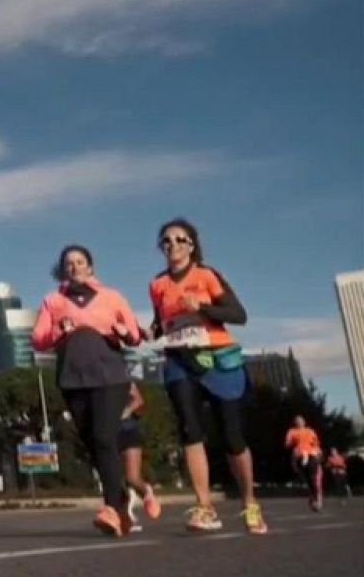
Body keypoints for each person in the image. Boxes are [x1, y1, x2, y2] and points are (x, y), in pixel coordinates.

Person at [149, 218, 266, 534]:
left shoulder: (207, 275)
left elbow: (238, 315)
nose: (173, 245)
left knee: (232, 437)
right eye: (166, 241)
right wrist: (152, 330)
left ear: (191, 245)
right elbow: (161, 323)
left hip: (217, 358)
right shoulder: (157, 285)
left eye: (180, 239)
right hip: (179, 359)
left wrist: (202, 306)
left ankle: (249, 501)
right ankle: (205, 506)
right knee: (190, 430)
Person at [31, 245, 145, 536]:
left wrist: (124, 332)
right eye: (69, 263)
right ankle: (121, 504)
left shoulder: (112, 296)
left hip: (110, 377)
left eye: (80, 262)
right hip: (73, 379)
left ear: (90, 267)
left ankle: (111, 508)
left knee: (104, 437)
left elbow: (135, 334)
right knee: (93, 444)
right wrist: (60, 330)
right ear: (63, 270)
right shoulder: (53, 301)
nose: (75, 267)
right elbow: (38, 340)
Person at [119, 380, 162, 531]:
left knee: (132, 477)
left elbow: (138, 400)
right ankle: (126, 517)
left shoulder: (123, 378)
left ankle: (146, 491)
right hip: (108, 432)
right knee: (115, 479)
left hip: (128, 430)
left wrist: (125, 412)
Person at [285, 416, 324, 511]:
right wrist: (293, 446)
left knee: (313, 477)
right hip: (300, 455)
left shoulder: (310, 431)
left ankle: (316, 498)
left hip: (310, 454)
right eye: (297, 421)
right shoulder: (292, 431)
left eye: (301, 421)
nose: (299, 422)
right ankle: (313, 495)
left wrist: (317, 450)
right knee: (306, 477)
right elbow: (287, 444)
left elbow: (316, 443)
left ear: (304, 422)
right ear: (295, 423)